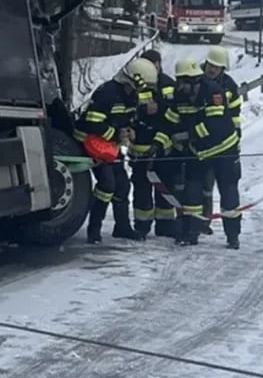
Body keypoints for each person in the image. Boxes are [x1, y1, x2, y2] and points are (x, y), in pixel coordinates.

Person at [74, 57, 158, 244]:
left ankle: (122, 228)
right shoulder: (108, 93)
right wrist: (116, 135)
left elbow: (126, 119)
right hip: (88, 143)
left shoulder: (131, 95)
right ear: (134, 81)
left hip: (109, 146)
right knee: (107, 184)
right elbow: (92, 123)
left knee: (123, 185)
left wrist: (130, 130)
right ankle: (94, 230)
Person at [128, 48, 179, 239]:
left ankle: (165, 225)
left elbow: (176, 110)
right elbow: (128, 110)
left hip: (164, 147)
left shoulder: (169, 84)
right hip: (141, 147)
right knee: (141, 188)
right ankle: (142, 225)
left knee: (165, 186)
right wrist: (142, 111)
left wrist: (160, 108)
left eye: (155, 65)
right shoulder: (136, 85)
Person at [199, 46, 243, 237]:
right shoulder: (196, 80)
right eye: (211, 65)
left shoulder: (229, 86)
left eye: (217, 67)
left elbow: (235, 115)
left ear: (223, 68)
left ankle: (232, 234)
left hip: (226, 147)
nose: (212, 69)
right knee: (204, 189)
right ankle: (202, 223)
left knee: (229, 191)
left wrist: (236, 137)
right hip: (203, 146)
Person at [169, 57, 207, 245]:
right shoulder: (179, 96)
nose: (181, 87)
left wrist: (189, 135)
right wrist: (161, 141)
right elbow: (169, 122)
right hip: (181, 152)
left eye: (183, 83)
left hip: (201, 152)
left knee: (194, 191)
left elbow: (214, 126)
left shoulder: (210, 93)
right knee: (179, 191)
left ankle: (193, 232)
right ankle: (181, 229)